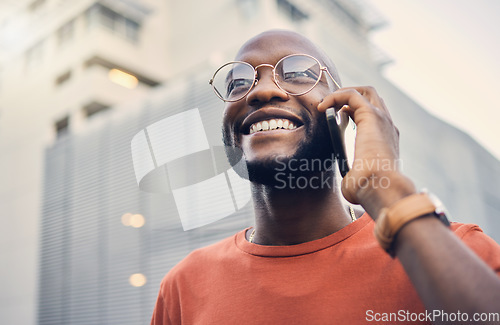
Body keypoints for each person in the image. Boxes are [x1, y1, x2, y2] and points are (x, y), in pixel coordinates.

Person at [151, 30, 500, 324]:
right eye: (239, 81)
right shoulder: (184, 286)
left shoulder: (456, 251)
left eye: (299, 72)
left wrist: (385, 186)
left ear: (342, 115)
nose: (261, 90)